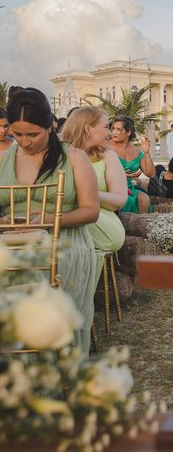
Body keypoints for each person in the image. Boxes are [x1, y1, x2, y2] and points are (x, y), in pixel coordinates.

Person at [0, 87, 101, 354]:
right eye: (17, 134)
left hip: (65, 240)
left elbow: (91, 211)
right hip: (12, 240)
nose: (25, 141)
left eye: (33, 134)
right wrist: (6, 220)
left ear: (50, 126)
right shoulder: (2, 161)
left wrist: (51, 218)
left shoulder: (75, 159)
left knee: (40, 269)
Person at [61, 106, 127, 258]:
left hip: (102, 223)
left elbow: (119, 200)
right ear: (88, 129)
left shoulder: (107, 156)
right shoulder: (61, 154)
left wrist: (85, 193)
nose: (110, 134)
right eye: (106, 127)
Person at [110, 116, 154, 213]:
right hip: (110, 187)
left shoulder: (137, 152)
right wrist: (119, 175)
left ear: (128, 132)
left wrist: (146, 153)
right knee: (127, 200)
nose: (114, 132)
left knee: (144, 199)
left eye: (118, 129)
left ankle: (139, 225)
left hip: (128, 188)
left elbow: (150, 173)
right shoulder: (106, 147)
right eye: (113, 128)